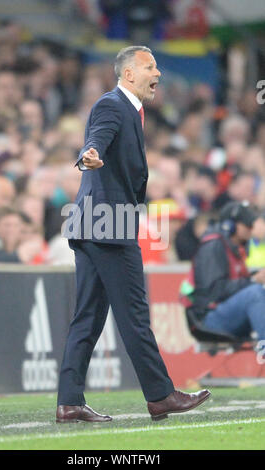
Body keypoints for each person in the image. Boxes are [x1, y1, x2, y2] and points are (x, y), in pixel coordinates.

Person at [56, 45, 210, 424]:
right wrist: (87, 154)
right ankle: (160, 395)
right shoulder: (113, 105)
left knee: (88, 317)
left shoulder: (130, 109)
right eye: (151, 66)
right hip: (109, 226)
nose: (158, 73)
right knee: (135, 313)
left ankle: (69, 401)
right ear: (128, 74)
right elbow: (96, 139)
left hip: (94, 224)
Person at [180, 200, 265, 343]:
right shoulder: (214, 246)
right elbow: (215, 290)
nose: (251, 229)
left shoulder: (233, 247)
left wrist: (253, 277)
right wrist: (253, 280)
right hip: (208, 318)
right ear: (231, 225)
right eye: (247, 224)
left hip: (223, 313)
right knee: (254, 293)